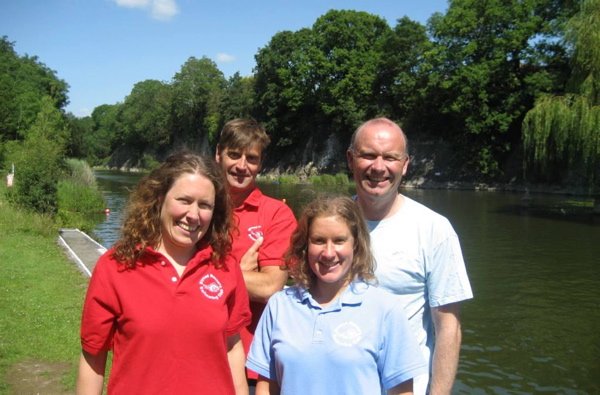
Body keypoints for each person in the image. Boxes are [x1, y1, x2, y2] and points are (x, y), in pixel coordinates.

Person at [77, 152, 251, 395]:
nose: (193, 215)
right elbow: (93, 356)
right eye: (184, 200)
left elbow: (232, 347)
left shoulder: (225, 266)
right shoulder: (116, 266)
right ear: (160, 199)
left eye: (205, 205)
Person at [247, 196, 427, 394]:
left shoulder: (385, 309)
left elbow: (402, 390)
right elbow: (266, 385)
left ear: (356, 244)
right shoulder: (279, 306)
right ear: (305, 246)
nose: (329, 253)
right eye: (319, 241)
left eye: (339, 241)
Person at [346, 117, 474, 395]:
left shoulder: (434, 229)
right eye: (368, 155)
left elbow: (448, 328)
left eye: (390, 157)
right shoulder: (330, 224)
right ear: (350, 159)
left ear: (404, 165)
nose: (378, 167)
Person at [215, 118, 297, 391]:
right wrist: (241, 270)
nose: (242, 166)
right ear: (218, 154)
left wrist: (220, 271)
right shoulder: (199, 209)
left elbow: (270, 287)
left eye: (251, 158)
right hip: (198, 356)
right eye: (234, 155)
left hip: (253, 363)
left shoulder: (277, 214)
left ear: (260, 164)